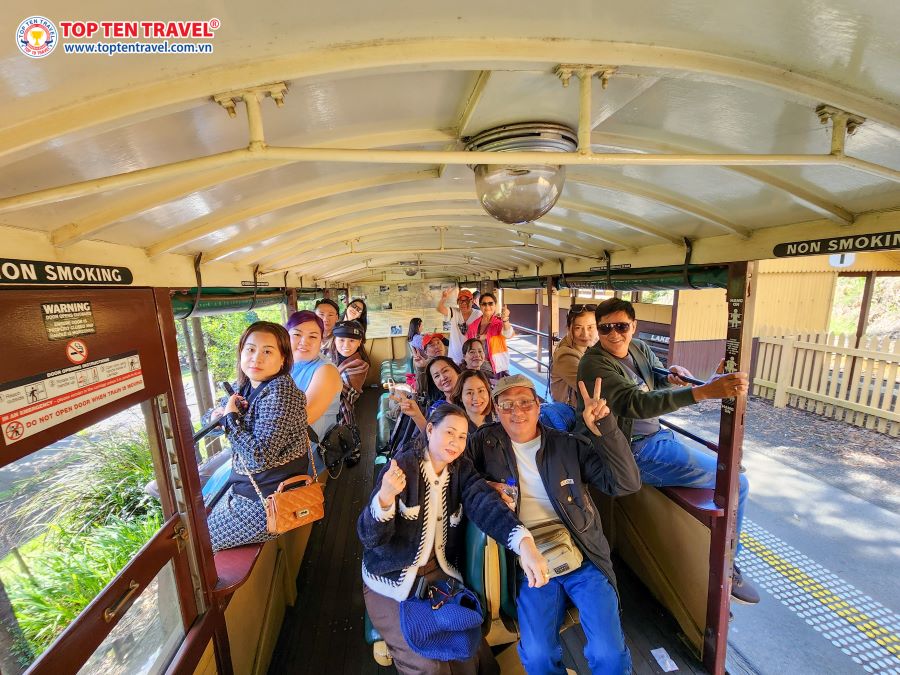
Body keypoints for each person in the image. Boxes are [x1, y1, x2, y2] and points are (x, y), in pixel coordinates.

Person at [577, 297, 760, 605]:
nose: (613, 334)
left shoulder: (639, 348)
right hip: (635, 450)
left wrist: (672, 376)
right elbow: (636, 403)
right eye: (605, 328)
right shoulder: (593, 364)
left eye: (621, 326)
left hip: (657, 437)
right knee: (736, 482)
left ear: (634, 326)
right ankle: (729, 566)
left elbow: (656, 377)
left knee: (732, 469)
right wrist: (703, 392)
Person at [358, 403, 549, 675]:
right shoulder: (403, 467)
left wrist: (524, 543)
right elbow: (369, 537)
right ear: (430, 430)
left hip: (439, 576)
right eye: (449, 433)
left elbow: (485, 504)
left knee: (467, 652)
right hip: (389, 580)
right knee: (428, 664)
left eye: (462, 436)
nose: (456, 443)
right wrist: (385, 498)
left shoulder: (461, 470)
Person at [467, 374, 640, 673]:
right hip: (527, 561)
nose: (516, 411)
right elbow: (459, 481)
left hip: (582, 553)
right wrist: (486, 485)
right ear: (495, 409)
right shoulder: (484, 443)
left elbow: (625, 483)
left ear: (538, 405)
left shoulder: (566, 445)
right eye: (507, 404)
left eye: (525, 402)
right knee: (537, 655)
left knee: (609, 653)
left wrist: (606, 429)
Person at [206, 321, 311, 552]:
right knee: (200, 513)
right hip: (248, 490)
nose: (256, 358)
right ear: (241, 352)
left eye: (267, 351)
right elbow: (213, 419)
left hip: (267, 503)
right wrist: (218, 415)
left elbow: (259, 457)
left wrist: (230, 419)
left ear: (283, 359)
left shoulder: (281, 391)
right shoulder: (245, 386)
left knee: (197, 541)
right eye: (250, 349)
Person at [285, 310, 342, 472]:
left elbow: (303, 418)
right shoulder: (281, 366)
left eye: (313, 336)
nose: (304, 342)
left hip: (309, 455)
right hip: (284, 450)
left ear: (321, 341)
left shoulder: (325, 371)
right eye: (297, 334)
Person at [331, 319, 370, 466]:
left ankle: (354, 453)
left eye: (352, 341)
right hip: (333, 408)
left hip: (344, 408)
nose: (346, 345)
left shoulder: (360, 365)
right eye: (341, 340)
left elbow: (343, 392)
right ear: (334, 340)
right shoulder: (327, 356)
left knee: (349, 433)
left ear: (359, 342)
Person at [395, 356, 462, 435]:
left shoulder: (472, 398)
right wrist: (416, 415)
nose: (443, 378)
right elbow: (431, 438)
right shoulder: (437, 407)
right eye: (437, 376)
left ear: (456, 371)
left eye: (445, 371)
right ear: (434, 383)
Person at [550, 304, 598, 407]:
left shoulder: (591, 346)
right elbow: (591, 389)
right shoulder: (565, 355)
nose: (585, 334)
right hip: (571, 417)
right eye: (578, 328)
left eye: (590, 327)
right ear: (568, 328)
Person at [465, 292, 513, 378]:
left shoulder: (499, 323)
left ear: (495, 306)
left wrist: (505, 319)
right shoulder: (473, 325)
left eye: (490, 303)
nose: (487, 307)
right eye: (484, 304)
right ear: (480, 305)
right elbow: (468, 346)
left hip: (496, 367)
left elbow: (508, 334)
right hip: (477, 365)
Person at [437, 287, 482, 364]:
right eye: (461, 301)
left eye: (467, 301)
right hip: (455, 358)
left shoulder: (479, 314)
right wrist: (444, 298)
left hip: (472, 357)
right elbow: (440, 308)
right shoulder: (454, 312)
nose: (464, 303)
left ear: (472, 301)